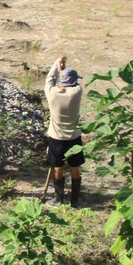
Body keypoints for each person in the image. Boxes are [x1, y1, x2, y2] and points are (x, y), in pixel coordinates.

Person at [45, 55, 85, 206]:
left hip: (57, 137)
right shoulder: (76, 92)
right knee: (75, 167)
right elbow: (74, 84)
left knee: (57, 168)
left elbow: (49, 78)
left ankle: (58, 199)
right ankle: (75, 201)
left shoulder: (52, 93)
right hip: (74, 137)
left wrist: (58, 64)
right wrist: (64, 71)